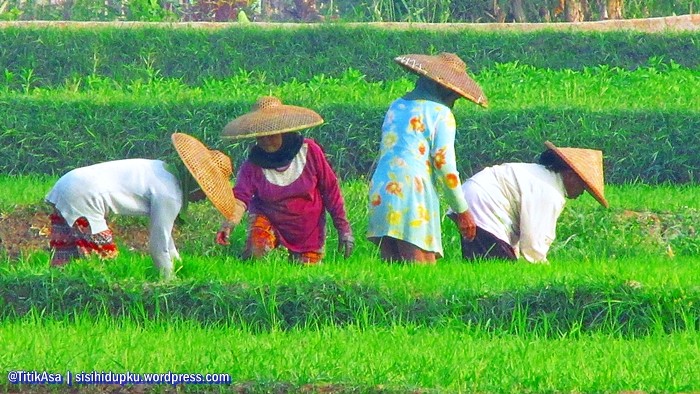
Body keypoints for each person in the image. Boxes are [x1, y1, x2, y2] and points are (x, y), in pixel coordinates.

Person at [45, 132, 241, 279]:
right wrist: (169, 282)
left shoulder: (163, 170)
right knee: (105, 269)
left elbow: (167, 239)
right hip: (84, 197)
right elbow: (159, 246)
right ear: (195, 182)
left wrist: (180, 266)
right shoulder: (170, 194)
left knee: (65, 263)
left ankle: (54, 300)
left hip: (68, 183)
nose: (203, 198)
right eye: (205, 191)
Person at [366, 52, 488, 263]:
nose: (455, 101)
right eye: (454, 96)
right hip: (412, 191)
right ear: (445, 88)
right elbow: (444, 165)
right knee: (419, 271)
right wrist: (462, 210)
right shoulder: (441, 113)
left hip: (381, 188)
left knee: (392, 270)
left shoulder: (396, 105)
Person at [216, 96, 354, 264]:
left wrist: (344, 230)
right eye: (261, 137)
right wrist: (228, 224)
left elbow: (331, 190)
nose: (266, 141)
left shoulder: (310, 152)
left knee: (305, 274)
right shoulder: (253, 164)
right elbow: (240, 199)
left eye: (271, 135)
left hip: (307, 226)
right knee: (255, 254)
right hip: (268, 217)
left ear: (283, 131)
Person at [449, 140, 609, 263]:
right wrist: (544, 271)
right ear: (570, 176)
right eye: (582, 186)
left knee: (484, 264)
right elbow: (534, 244)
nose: (581, 192)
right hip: (484, 204)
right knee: (500, 270)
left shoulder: (542, 176)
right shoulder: (551, 192)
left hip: (472, 197)